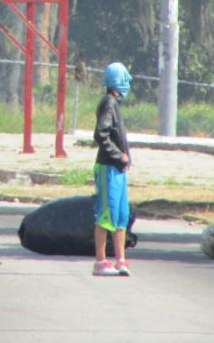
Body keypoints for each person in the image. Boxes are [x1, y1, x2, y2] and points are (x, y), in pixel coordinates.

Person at [92, 62, 132, 277]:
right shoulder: (109, 103)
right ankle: (100, 262)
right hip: (108, 168)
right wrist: (119, 155)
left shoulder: (115, 103)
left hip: (118, 170)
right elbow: (101, 134)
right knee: (106, 214)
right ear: (118, 83)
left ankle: (121, 260)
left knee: (121, 216)